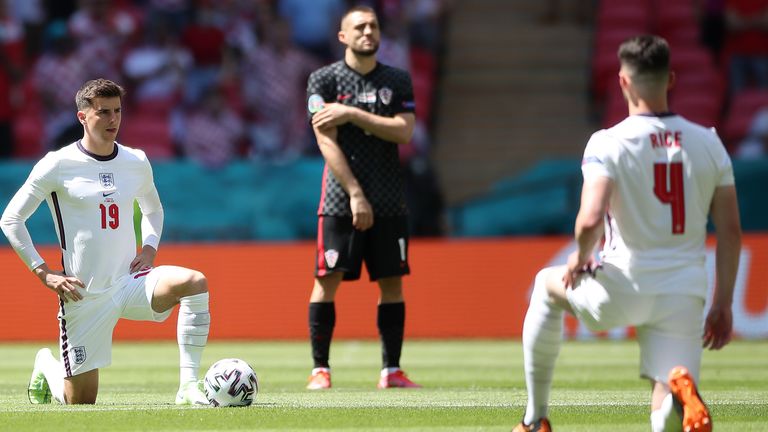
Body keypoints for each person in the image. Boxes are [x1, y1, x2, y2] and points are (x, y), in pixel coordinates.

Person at [513, 35, 741, 432]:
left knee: (544, 286)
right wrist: (722, 304)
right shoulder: (709, 142)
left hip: (622, 285)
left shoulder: (608, 142)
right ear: (671, 79)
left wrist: (580, 255)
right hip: (684, 290)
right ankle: (674, 401)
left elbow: (590, 219)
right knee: (668, 380)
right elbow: (732, 232)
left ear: (622, 82)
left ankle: (535, 420)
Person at [0, 79, 211, 405]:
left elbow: (153, 208)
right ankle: (46, 365)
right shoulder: (57, 164)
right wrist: (45, 273)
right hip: (83, 294)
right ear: (83, 117)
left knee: (194, 282)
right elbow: (11, 219)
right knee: (80, 402)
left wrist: (150, 247)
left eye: (117, 111)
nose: (113, 120)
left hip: (130, 281)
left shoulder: (136, 161)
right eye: (103, 112)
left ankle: (187, 386)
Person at [304, 5, 421, 390]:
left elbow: (403, 132)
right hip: (340, 199)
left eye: (373, 26)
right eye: (359, 27)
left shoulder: (398, 80)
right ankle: (321, 370)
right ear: (343, 36)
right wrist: (355, 193)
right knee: (327, 279)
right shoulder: (322, 81)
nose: (368, 32)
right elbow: (325, 141)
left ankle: (392, 371)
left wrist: (351, 113)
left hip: (389, 199)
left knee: (392, 281)